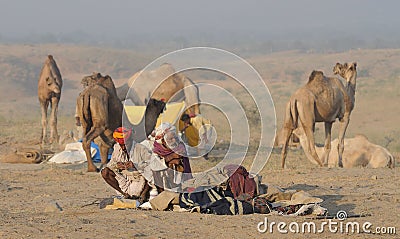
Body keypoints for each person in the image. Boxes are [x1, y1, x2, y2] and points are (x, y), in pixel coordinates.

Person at [101, 127, 150, 203]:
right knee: (105, 172)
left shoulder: (141, 148)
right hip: (124, 178)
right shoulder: (117, 147)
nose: (123, 147)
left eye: (125, 144)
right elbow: (110, 164)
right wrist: (117, 165)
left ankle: (143, 194)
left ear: (130, 140)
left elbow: (151, 166)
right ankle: (123, 194)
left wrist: (135, 165)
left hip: (138, 179)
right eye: (121, 145)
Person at [151, 123, 193, 192]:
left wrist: (167, 160)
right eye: (170, 139)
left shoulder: (180, 147)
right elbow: (154, 166)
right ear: (163, 141)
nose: (174, 141)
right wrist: (171, 157)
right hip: (163, 183)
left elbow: (179, 162)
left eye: (175, 138)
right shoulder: (157, 149)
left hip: (179, 182)